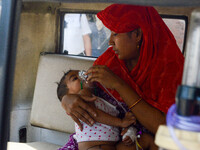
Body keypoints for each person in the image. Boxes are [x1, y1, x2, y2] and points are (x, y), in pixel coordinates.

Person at [61, 4, 184, 150]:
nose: (110, 42)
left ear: (137, 34)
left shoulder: (170, 68)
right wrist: (68, 99)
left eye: (115, 34)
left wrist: (119, 85)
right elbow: (89, 92)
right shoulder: (108, 61)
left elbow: (167, 129)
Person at [56, 70, 139, 150]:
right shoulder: (82, 96)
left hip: (111, 146)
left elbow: (109, 124)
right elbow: (94, 114)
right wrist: (121, 122)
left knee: (147, 140)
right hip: (93, 147)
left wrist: (128, 131)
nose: (83, 75)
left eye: (81, 72)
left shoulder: (98, 99)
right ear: (70, 95)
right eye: (75, 78)